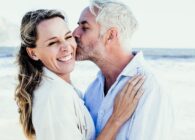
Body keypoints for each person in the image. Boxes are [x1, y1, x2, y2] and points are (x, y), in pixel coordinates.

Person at [15, 9, 145, 140]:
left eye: (67, 37)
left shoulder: (63, 89)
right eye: (53, 42)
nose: (66, 47)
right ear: (33, 53)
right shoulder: (54, 96)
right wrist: (116, 119)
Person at [73, 0, 174, 139]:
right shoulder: (93, 90)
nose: (74, 33)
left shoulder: (148, 88)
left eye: (84, 28)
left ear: (110, 35)